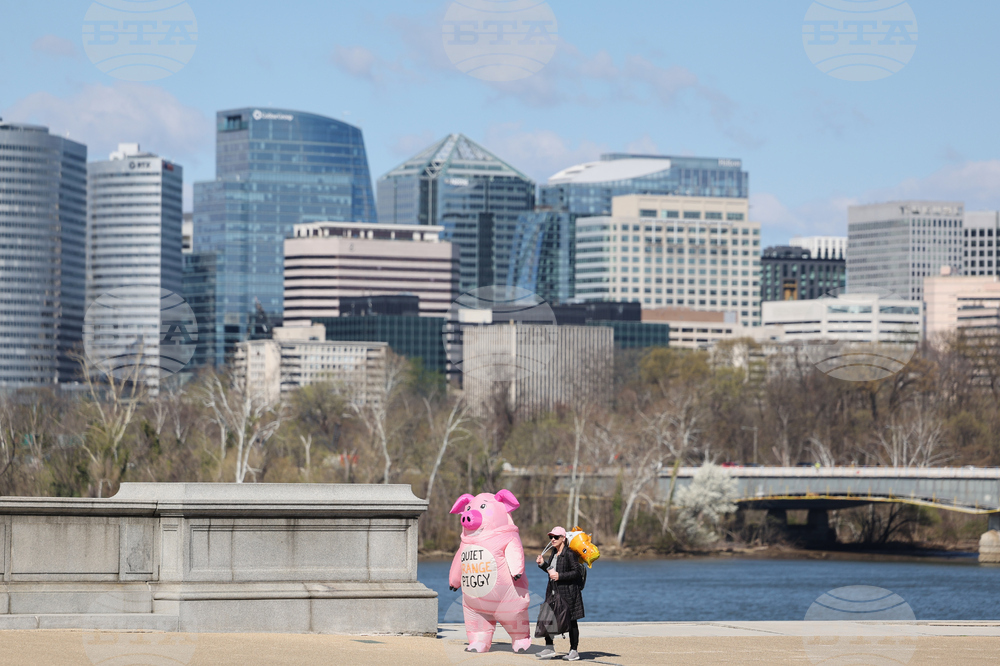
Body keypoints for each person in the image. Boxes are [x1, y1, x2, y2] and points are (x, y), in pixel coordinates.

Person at [534, 526, 584, 661]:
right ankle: (549, 648)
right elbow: (551, 572)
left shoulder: (569, 554)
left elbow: (576, 572)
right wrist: (543, 565)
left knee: (572, 621)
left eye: (556, 537)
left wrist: (560, 576)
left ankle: (574, 651)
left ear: (563, 538)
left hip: (569, 594)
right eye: (551, 537)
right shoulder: (553, 554)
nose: (553, 539)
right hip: (553, 592)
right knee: (547, 618)